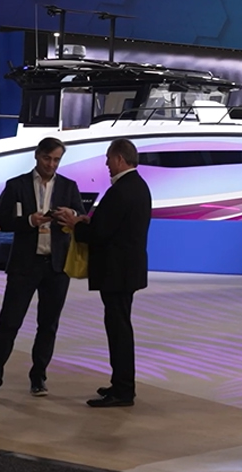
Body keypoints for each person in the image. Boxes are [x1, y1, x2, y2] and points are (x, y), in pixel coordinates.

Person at [0, 137, 84, 403]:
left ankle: (39, 377)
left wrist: (71, 216)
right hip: (25, 264)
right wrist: (29, 220)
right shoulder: (17, 185)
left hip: (56, 266)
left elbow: (81, 218)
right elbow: (0, 220)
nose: (51, 164)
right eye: (48, 158)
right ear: (37, 156)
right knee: (9, 323)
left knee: (48, 325)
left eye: (57, 160)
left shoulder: (69, 186)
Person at [66, 139, 152, 408]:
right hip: (126, 271)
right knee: (119, 326)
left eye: (108, 158)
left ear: (119, 159)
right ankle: (120, 383)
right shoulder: (139, 186)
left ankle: (123, 390)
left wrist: (75, 225)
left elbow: (100, 233)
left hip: (117, 272)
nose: (106, 164)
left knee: (118, 330)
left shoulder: (121, 191)